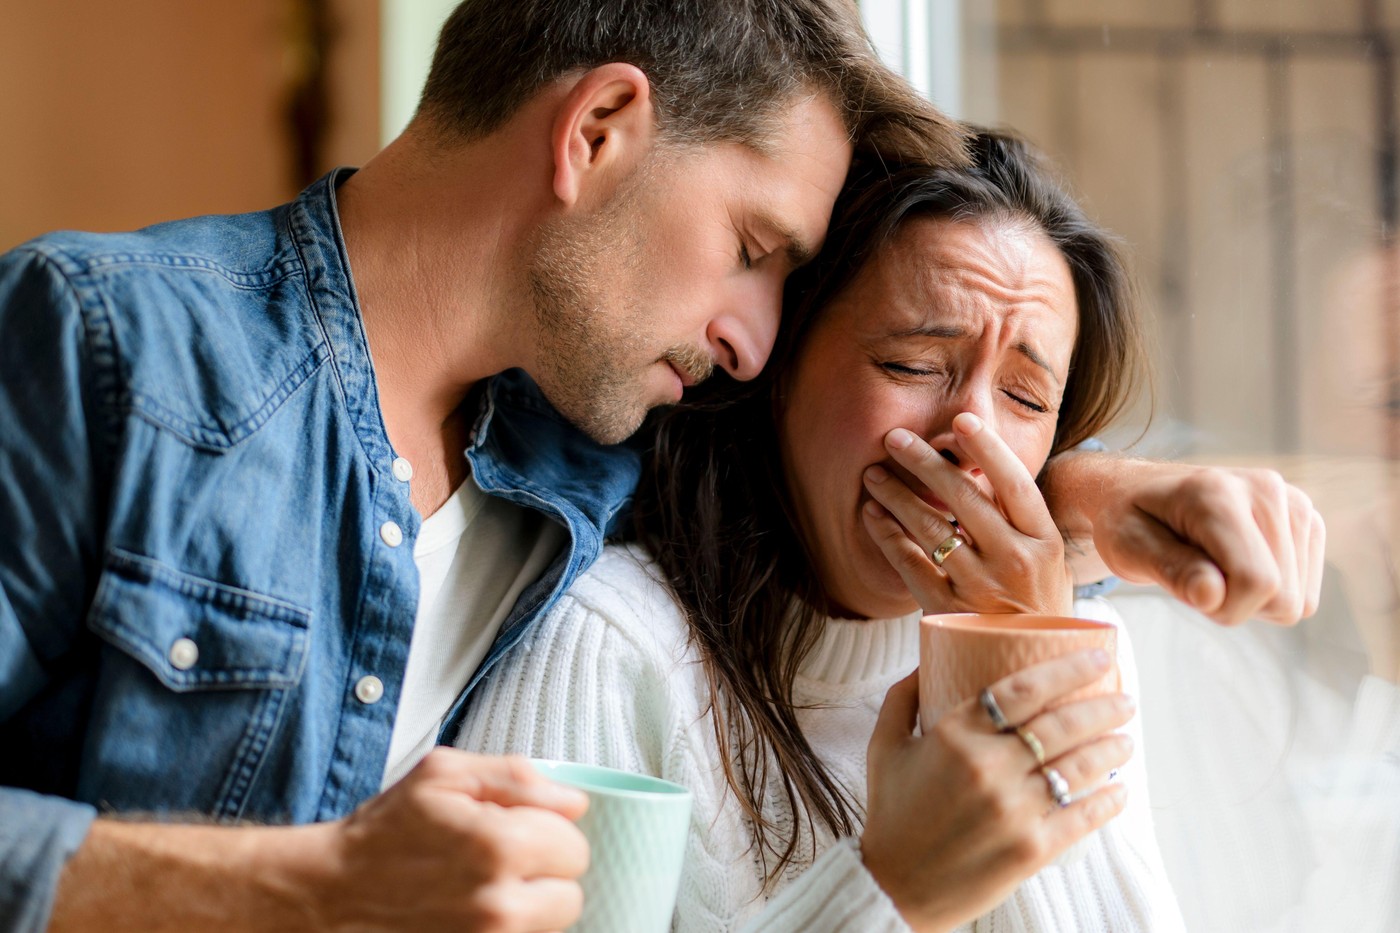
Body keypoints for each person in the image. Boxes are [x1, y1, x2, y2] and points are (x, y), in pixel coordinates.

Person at [0, 1, 1320, 930]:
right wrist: (322, 891)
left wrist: (1089, 495)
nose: (752, 340)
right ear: (598, 131)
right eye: (753, 249)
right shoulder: (105, 341)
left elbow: (823, 469)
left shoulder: (579, 442)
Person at [456, 130, 1187, 930]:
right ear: (780, 369)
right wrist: (890, 889)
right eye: (911, 364)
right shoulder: (608, 647)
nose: (973, 435)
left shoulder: (1080, 644)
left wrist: (1026, 664)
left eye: (1025, 397)